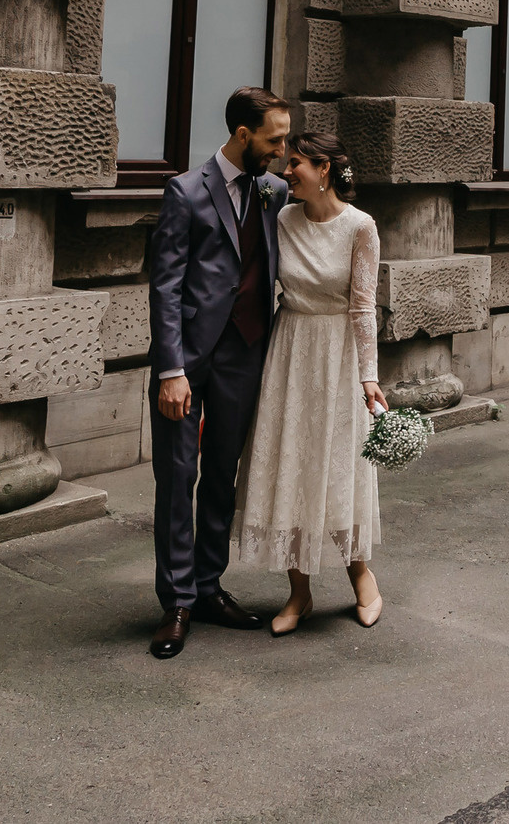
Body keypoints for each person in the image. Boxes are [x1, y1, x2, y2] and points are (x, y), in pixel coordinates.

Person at [141, 86, 293, 660]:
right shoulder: (185, 191)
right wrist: (170, 370)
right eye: (274, 139)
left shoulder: (275, 192)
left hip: (245, 356)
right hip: (188, 362)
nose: (281, 150)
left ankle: (208, 587)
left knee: (223, 478)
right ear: (242, 135)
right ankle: (176, 601)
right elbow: (165, 287)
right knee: (178, 478)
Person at [232, 130, 387, 633]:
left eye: (295, 162)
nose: (285, 171)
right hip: (291, 351)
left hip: (339, 355)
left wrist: (369, 379)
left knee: (340, 464)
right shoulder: (282, 218)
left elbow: (364, 307)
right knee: (292, 463)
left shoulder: (361, 227)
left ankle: (361, 576)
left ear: (324, 169)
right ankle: (298, 592)